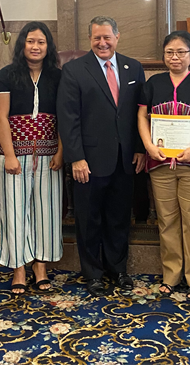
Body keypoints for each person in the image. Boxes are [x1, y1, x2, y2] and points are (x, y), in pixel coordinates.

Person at [57, 16, 145, 297]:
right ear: (90, 39)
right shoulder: (74, 70)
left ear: (117, 37)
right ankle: (93, 273)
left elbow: (138, 114)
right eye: (97, 38)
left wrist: (140, 148)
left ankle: (117, 269)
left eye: (107, 37)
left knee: (119, 217)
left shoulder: (134, 67)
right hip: (89, 161)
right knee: (89, 218)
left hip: (126, 159)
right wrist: (76, 158)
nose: (102, 42)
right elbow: (68, 118)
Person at [137, 30, 190, 300]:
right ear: (163, 56)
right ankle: (171, 275)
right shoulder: (154, 83)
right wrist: (149, 147)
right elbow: (141, 116)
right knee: (167, 220)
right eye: (170, 52)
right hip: (160, 163)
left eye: (181, 52)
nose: (175, 57)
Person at [0, 22, 63, 294]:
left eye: (41, 42)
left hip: (49, 153)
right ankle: (19, 267)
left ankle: (40, 266)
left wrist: (60, 150)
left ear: (48, 46)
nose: (35, 47)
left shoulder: (57, 76)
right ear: (22, 44)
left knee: (47, 211)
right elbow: (0, 117)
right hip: (15, 154)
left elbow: (65, 117)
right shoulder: (6, 75)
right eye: (31, 41)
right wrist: (8, 155)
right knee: (15, 210)